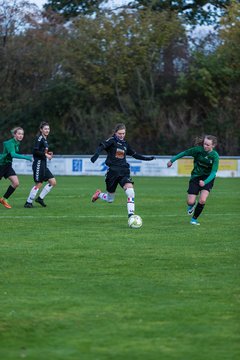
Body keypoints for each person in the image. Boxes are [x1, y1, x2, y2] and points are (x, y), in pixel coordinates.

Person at [90, 123, 155, 218]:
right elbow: (102, 146)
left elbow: (135, 155)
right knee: (110, 199)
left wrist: (147, 158)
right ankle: (99, 194)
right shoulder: (112, 141)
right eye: (120, 133)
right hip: (112, 173)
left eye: (123, 133)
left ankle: (131, 216)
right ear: (115, 132)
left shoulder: (125, 144)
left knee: (131, 192)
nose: (121, 135)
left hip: (124, 171)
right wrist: (96, 154)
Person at [167, 135, 219, 225]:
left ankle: (194, 219)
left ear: (213, 145)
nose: (205, 146)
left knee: (202, 200)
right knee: (190, 201)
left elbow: (213, 172)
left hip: (207, 178)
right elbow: (184, 153)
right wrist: (172, 160)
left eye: (207, 145)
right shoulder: (198, 150)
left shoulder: (215, 156)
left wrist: (205, 182)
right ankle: (191, 205)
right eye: (204, 144)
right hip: (196, 176)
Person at [24, 122, 56, 208]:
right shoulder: (39, 138)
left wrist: (48, 153)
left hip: (43, 164)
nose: (47, 130)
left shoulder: (45, 139)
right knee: (38, 184)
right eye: (45, 129)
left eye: (48, 129)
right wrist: (46, 155)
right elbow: (35, 151)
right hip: (38, 164)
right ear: (41, 130)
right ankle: (28, 202)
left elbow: (41, 151)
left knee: (53, 182)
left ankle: (40, 198)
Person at [0, 127, 32, 209]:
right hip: (1, 165)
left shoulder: (17, 143)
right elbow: (13, 154)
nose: (21, 135)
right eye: (19, 133)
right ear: (14, 134)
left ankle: (4, 199)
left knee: (16, 183)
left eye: (22, 134)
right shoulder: (10, 143)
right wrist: (27, 158)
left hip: (7, 166)